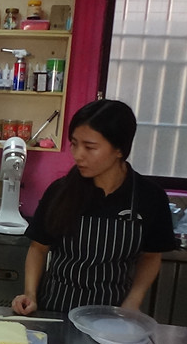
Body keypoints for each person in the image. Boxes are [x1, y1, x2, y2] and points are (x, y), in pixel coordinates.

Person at [12, 99, 174, 315]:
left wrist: (134, 300)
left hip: (112, 314)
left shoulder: (150, 197)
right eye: (74, 144)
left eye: (89, 147)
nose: (78, 155)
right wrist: (30, 294)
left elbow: (151, 256)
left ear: (119, 149)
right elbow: (38, 248)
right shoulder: (60, 191)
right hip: (57, 309)